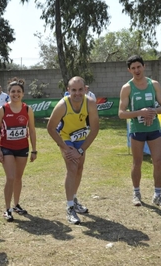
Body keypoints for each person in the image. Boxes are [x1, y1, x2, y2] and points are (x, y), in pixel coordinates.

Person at [118, 55, 161, 209]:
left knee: (158, 161)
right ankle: (136, 193)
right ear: (129, 70)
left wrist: (151, 111)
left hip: (154, 129)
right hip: (137, 130)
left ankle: (157, 195)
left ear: (144, 66)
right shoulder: (127, 88)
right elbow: (121, 113)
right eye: (133, 68)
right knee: (137, 162)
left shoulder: (154, 84)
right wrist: (140, 112)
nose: (136, 70)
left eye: (138, 67)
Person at [47, 76, 99, 225]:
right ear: (68, 90)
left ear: (85, 90)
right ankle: (70, 207)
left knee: (80, 168)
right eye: (73, 90)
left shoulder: (90, 103)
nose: (77, 93)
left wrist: (81, 150)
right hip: (65, 137)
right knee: (72, 167)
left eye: (80, 90)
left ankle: (74, 199)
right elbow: (50, 128)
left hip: (81, 136)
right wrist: (64, 147)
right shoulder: (62, 105)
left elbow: (95, 129)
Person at [0, 77, 37, 222]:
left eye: (18, 91)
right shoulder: (3, 110)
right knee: (10, 177)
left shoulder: (28, 109)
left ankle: (16, 204)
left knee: (18, 178)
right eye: (13, 91)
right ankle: (7, 209)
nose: (16, 94)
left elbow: (32, 130)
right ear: (8, 93)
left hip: (23, 147)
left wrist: (34, 149)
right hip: (7, 148)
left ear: (23, 94)